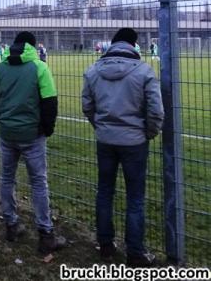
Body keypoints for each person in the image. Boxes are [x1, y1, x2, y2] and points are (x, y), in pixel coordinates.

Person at [82, 28, 164, 266]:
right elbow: (156, 111)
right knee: (135, 198)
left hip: (106, 139)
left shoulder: (93, 71)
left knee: (105, 191)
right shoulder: (144, 71)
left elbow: (87, 105)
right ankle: (135, 252)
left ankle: (105, 245)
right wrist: (147, 133)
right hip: (134, 142)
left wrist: (100, 126)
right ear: (133, 45)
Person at [0, 31, 65, 254]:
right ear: (32, 45)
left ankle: (11, 225)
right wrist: (46, 129)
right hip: (32, 135)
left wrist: (1, 122)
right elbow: (50, 103)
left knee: (7, 179)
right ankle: (45, 234)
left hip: (7, 133)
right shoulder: (40, 68)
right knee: (38, 182)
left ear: (15, 45)